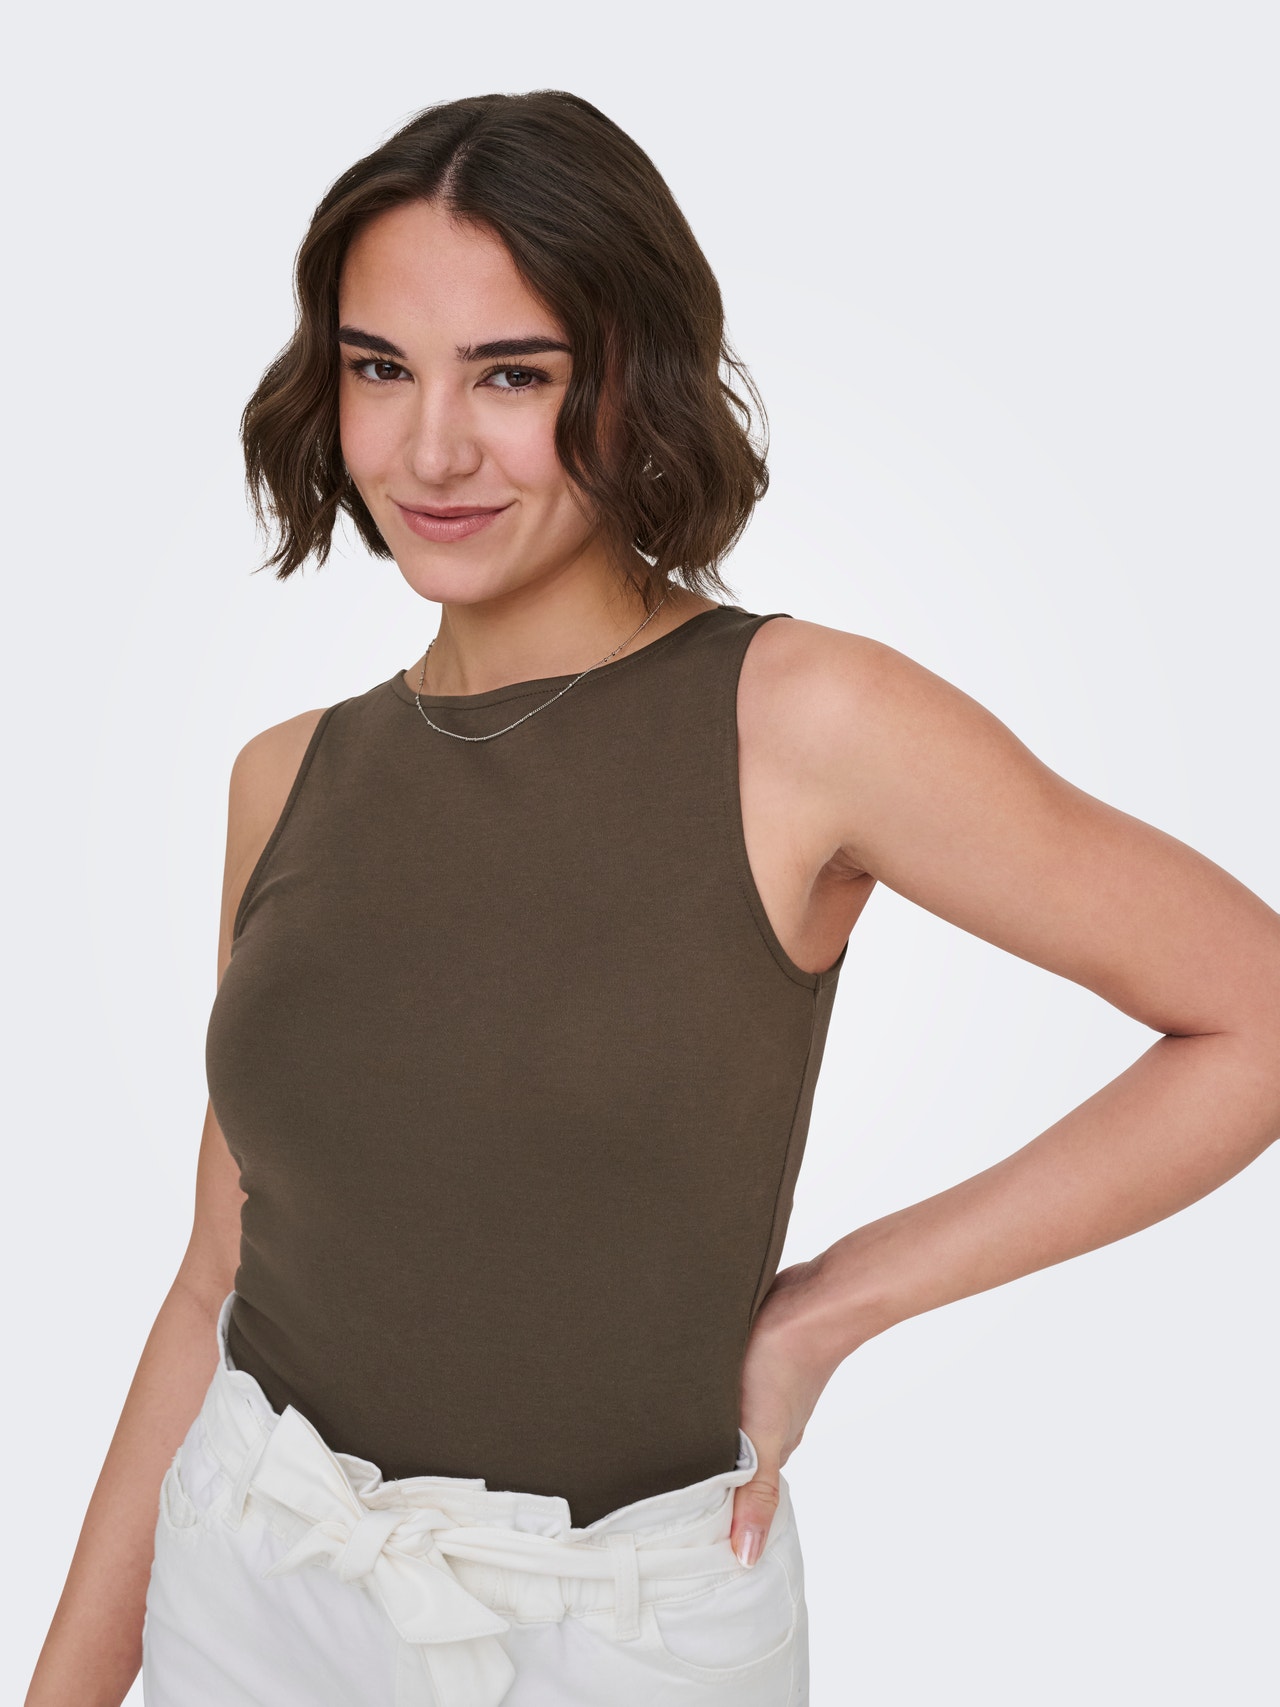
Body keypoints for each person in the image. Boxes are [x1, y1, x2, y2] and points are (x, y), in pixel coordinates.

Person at [25, 89, 1280, 1707]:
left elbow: (1251, 1012)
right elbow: (218, 1275)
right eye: (380, 367)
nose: (431, 449)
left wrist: (830, 1310)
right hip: (252, 1564)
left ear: (636, 379)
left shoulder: (802, 721)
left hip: (620, 1632)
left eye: (514, 375)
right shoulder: (286, 775)